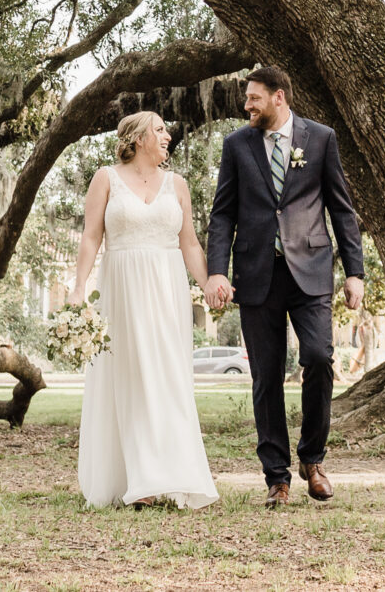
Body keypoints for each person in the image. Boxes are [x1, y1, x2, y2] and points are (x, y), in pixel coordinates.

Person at [204, 66, 365, 508]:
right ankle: (277, 476)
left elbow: (341, 209)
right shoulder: (237, 145)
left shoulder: (321, 138)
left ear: (279, 98)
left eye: (254, 98)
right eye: (247, 99)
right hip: (256, 274)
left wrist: (355, 272)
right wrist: (217, 269)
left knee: (318, 357)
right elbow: (222, 214)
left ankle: (312, 460)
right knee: (266, 377)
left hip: (310, 270)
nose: (247, 106)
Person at [70, 111, 218, 510]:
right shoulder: (106, 178)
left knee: (167, 377)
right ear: (137, 138)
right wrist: (79, 287)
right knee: (131, 377)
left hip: (167, 288)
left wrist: (207, 285)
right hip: (122, 285)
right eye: (160, 130)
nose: (168, 136)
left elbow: (189, 244)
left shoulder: (178, 185)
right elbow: (90, 236)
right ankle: (140, 479)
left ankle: (170, 474)